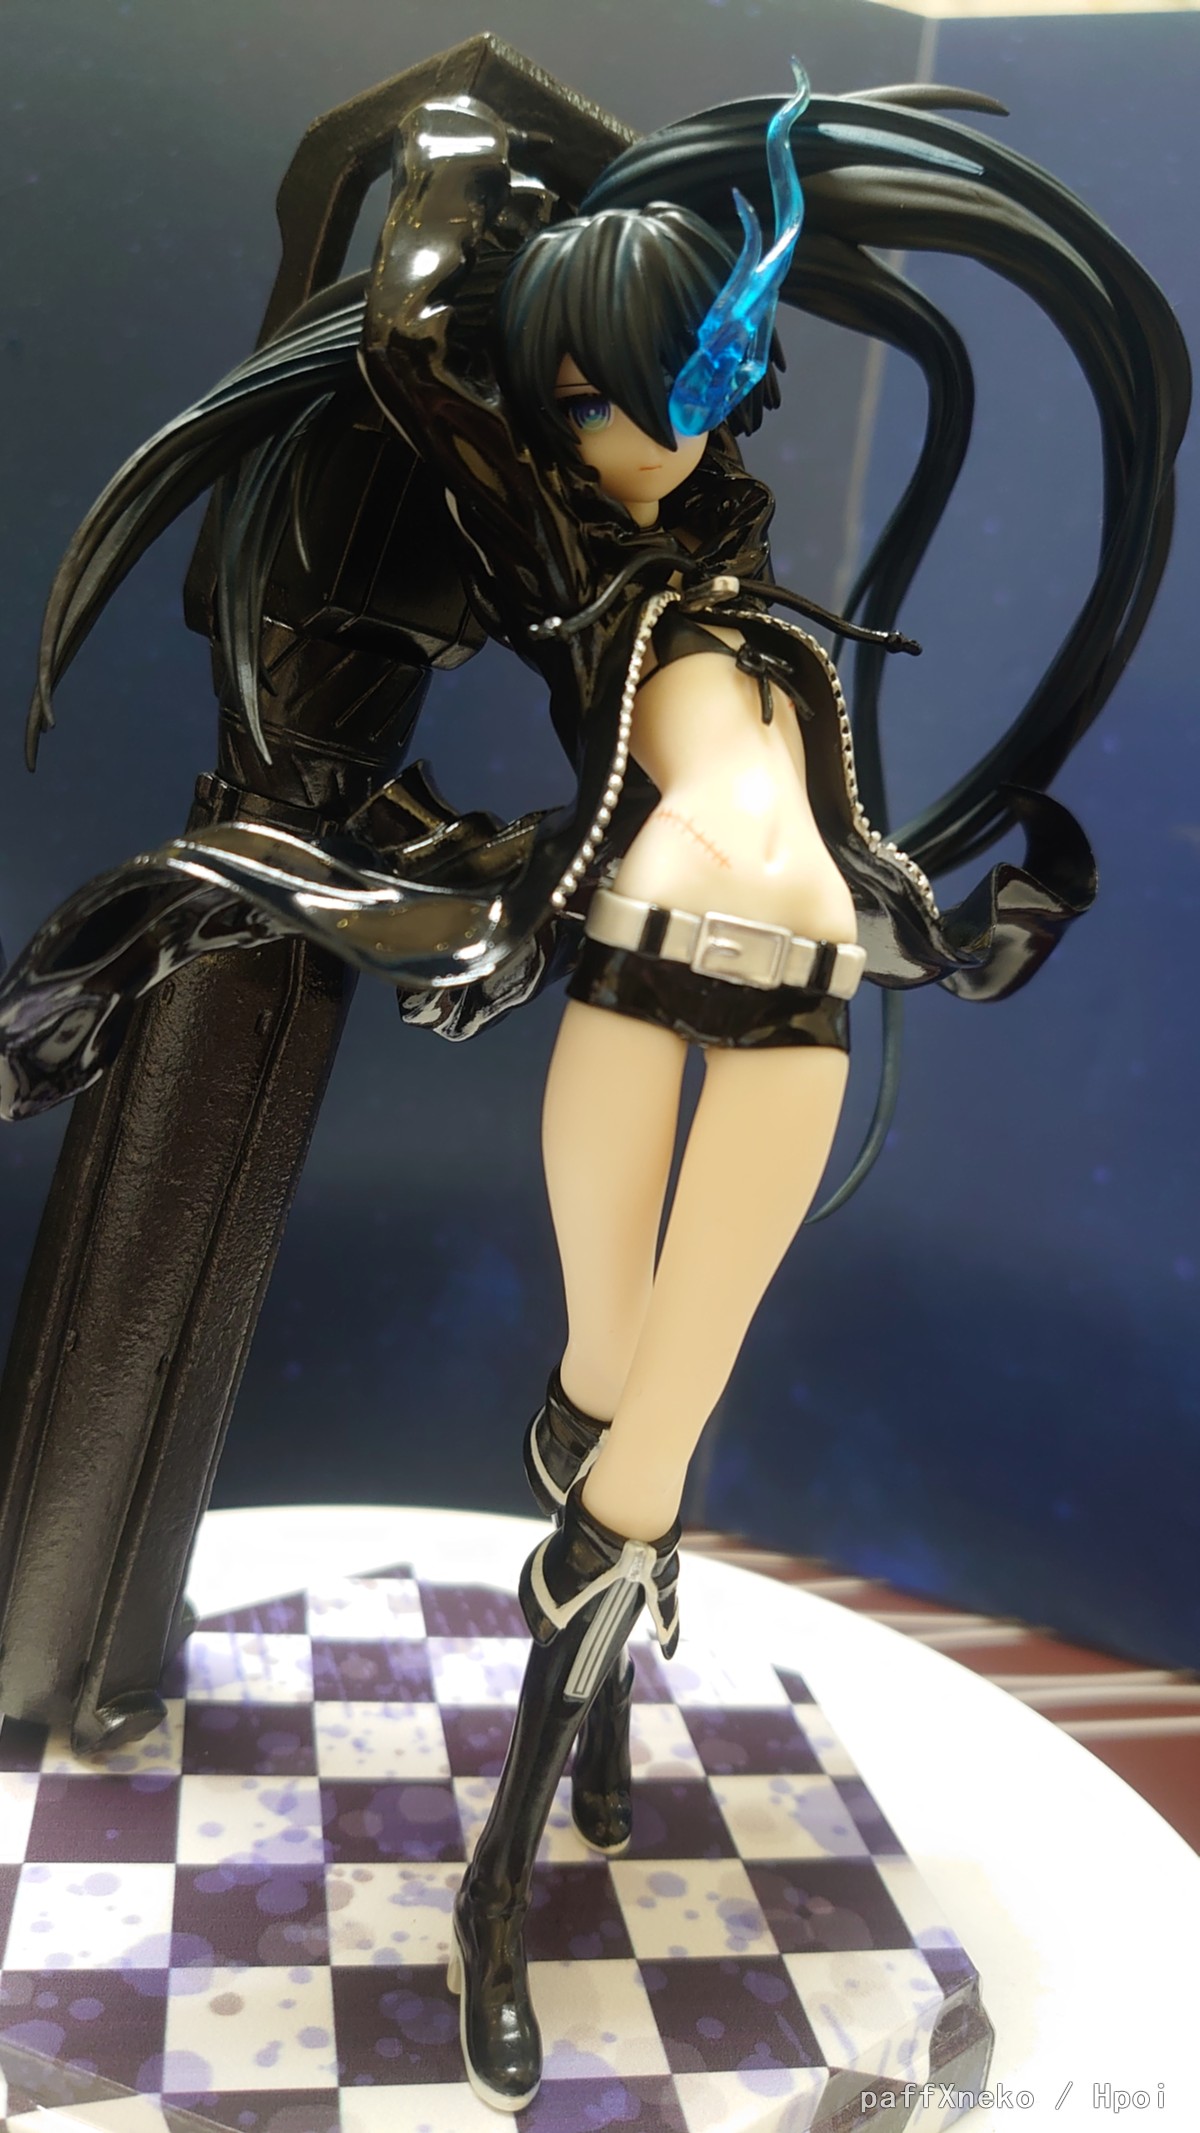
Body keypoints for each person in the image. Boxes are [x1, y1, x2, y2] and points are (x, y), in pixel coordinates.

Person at [0, 54, 1187, 2110]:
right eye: (613, 394)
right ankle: (599, 1685)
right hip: (634, 1003)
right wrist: (451, 180)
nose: (665, 429)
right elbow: (421, 340)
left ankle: (510, 1864)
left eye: (702, 383)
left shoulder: (758, 605)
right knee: (599, 1381)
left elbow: (828, 835)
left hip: (790, 1028)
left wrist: (948, 926)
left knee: (646, 1460)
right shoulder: (574, 569)